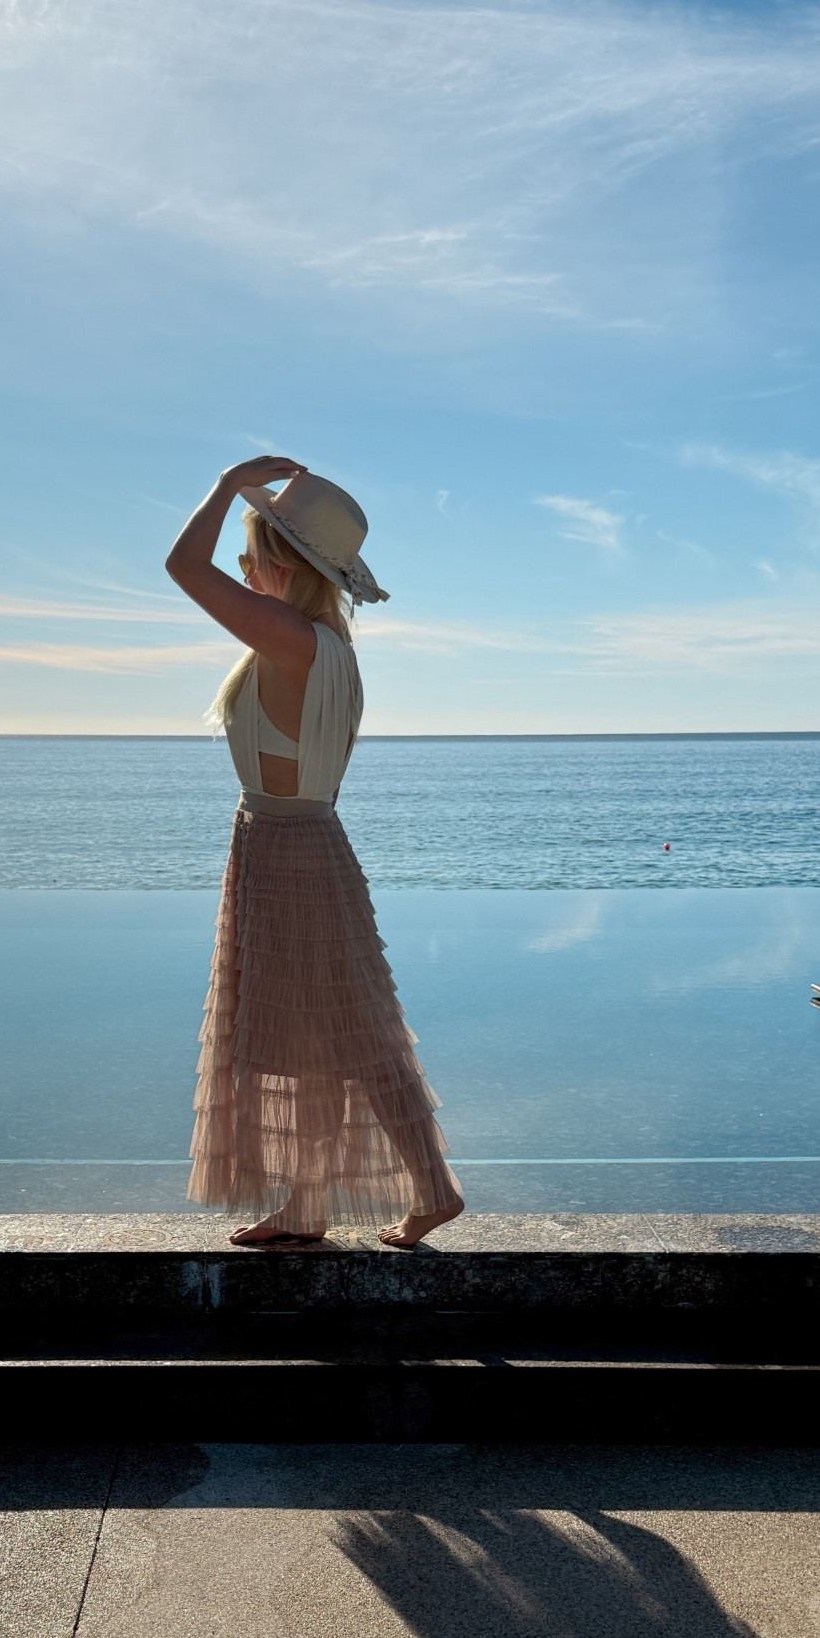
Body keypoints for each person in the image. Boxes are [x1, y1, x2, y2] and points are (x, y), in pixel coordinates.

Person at [165, 456, 464, 1249]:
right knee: (329, 1036)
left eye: (249, 555)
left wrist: (228, 483)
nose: (239, 570)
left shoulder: (290, 637)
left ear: (281, 565)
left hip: (285, 847)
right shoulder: (326, 643)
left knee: (341, 1033)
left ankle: (423, 1190)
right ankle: (319, 1204)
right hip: (303, 843)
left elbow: (179, 566)